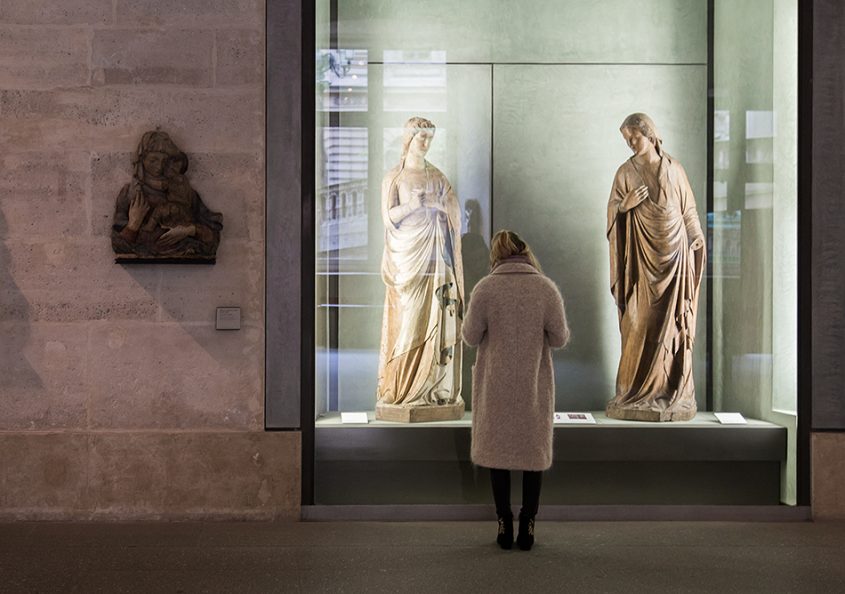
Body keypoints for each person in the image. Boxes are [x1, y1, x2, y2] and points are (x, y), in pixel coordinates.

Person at [462, 230, 569, 550]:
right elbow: (560, 338)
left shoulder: (485, 288)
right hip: (533, 387)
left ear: (496, 256)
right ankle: (529, 525)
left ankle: (503, 523)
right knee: (533, 456)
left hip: (495, 387)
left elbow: (469, 336)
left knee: (497, 456)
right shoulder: (546, 288)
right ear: (526, 253)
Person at [606, 113, 706, 422]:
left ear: (650, 135)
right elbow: (613, 213)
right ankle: (633, 390)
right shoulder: (625, 172)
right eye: (627, 140)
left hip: (675, 255)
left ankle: (669, 390)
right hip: (641, 260)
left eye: (635, 137)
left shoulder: (674, 169)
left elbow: (687, 208)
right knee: (638, 322)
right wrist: (623, 208)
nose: (631, 143)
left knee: (674, 327)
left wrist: (696, 235)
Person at [376, 117, 464, 413]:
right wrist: (412, 206)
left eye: (429, 138)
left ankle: (429, 385)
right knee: (406, 322)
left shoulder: (438, 177)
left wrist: (436, 204)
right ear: (408, 139)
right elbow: (387, 219)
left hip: (433, 261)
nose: (425, 143)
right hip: (405, 262)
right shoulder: (394, 177)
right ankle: (400, 387)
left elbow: (453, 214)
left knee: (433, 317)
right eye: (421, 137)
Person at [111, 130, 222, 260]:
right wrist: (133, 225)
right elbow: (118, 245)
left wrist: (189, 230)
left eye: (164, 161)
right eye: (153, 160)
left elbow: (212, 236)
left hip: (184, 256)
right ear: (142, 159)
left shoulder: (184, 191)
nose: (159, 166)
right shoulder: (130, 193)